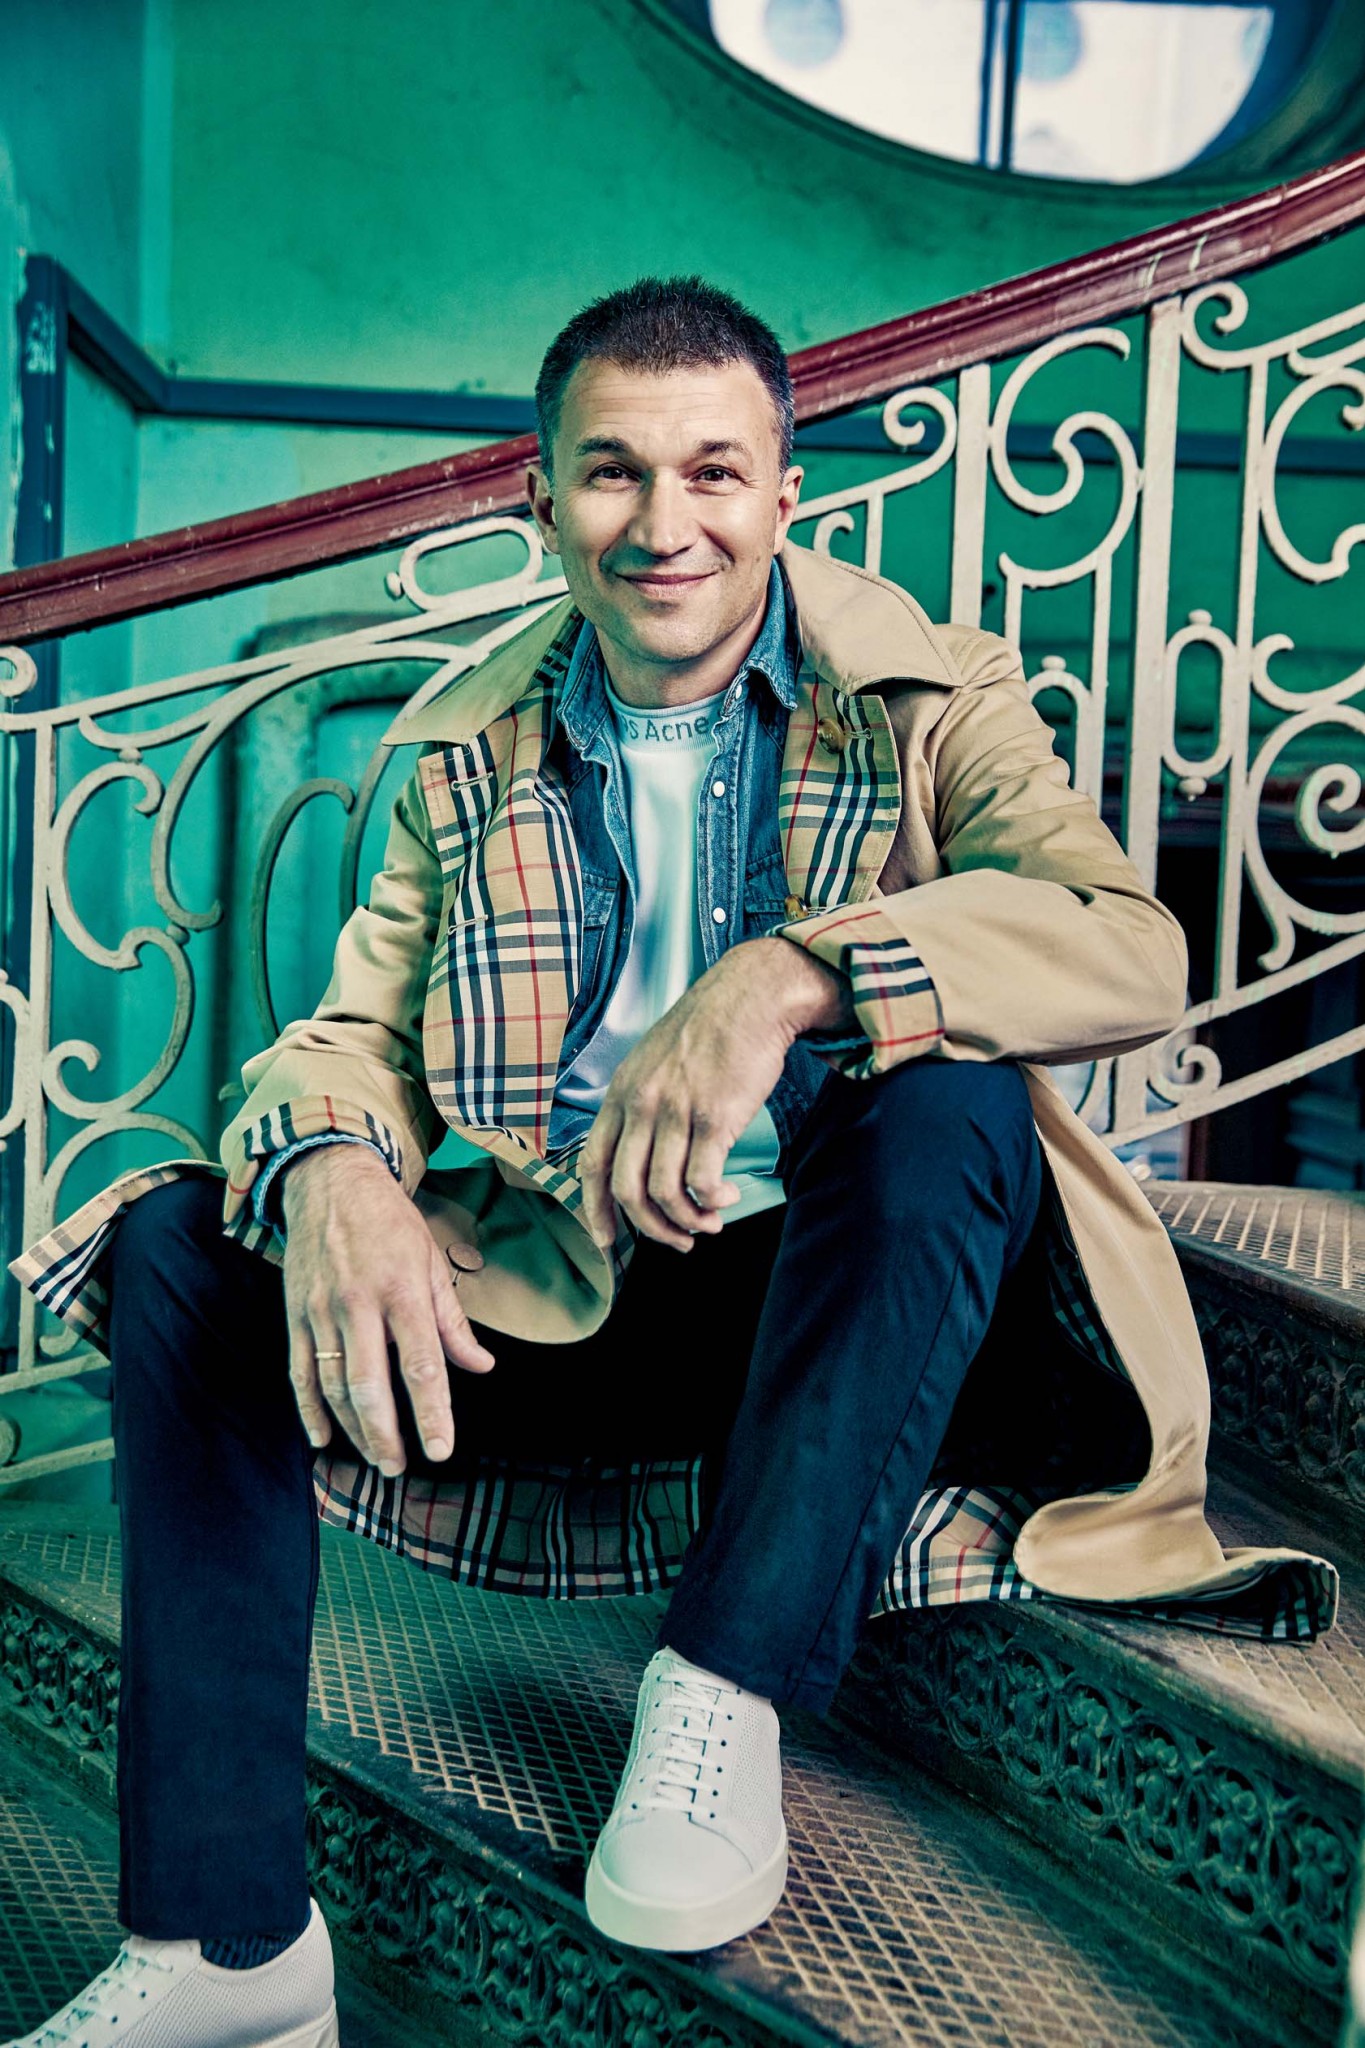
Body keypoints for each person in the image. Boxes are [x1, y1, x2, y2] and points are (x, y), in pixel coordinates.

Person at [5, 277, 1333, 2048]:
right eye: (613, 471)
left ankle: (717, 1695)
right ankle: (229, 1952)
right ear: (539, 497)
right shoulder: (460, 745)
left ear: (783, 494)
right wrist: (330, 1171)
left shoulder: (934, 691)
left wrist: (789, 976)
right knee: (188, 1238)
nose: (664, 523)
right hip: (585, 1298)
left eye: (713, 471)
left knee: (952, 1102)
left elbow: (1124, 943)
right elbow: (347, 1034)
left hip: (864, 1311)